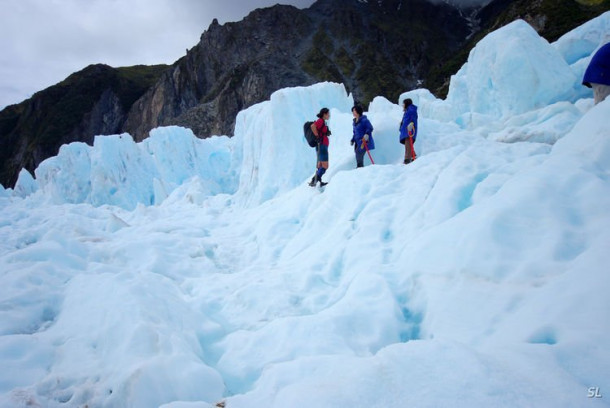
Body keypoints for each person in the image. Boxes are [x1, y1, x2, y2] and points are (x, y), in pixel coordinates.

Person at [309, 108, 331, 187]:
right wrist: (317, 136)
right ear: (324, 114)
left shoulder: (323, 122)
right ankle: (314, 180)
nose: (329, 115)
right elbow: (313, 126)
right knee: (325, 165)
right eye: (328, 114)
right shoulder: (320, 121)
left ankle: (318, 181)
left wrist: (326, 133)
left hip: (321, 145)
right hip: (322, 146)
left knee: (321, 165)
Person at [399, 98, 418, 164]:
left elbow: (413, 118)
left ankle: (407, 159)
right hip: (406, 131)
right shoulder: (407, 111)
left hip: (409, 131)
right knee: (408, 145)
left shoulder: (411, 110)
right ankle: (413, 156)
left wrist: (412, 123)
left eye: (403, 104)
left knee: (408, 145)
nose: (403, 105)